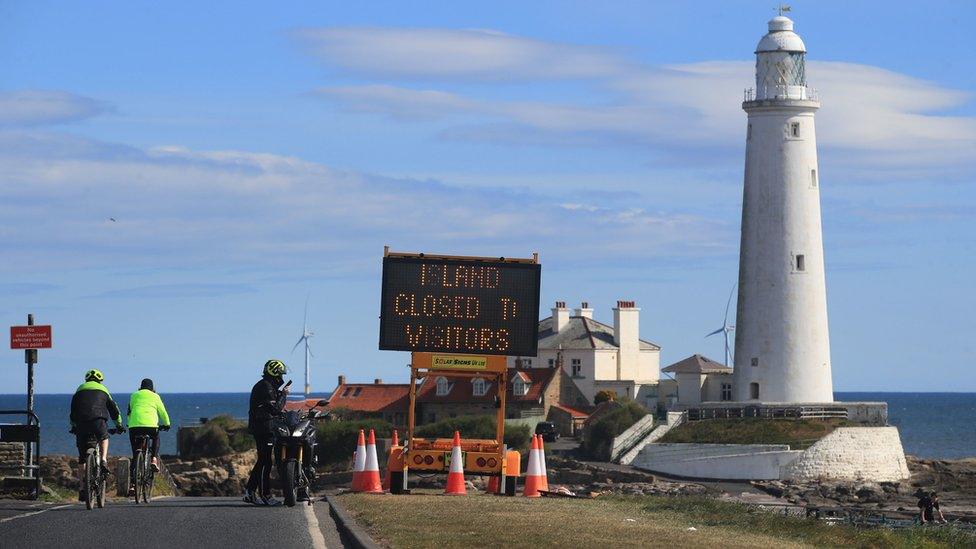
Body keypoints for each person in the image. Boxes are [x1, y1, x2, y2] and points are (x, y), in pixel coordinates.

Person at [69, 369, 125, 501]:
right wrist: (119, 425)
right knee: (104, 437)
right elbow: (114, 410)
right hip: (98, 421)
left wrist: (73, 426)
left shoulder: (79, 390)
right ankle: (104, 460)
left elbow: (72, 411)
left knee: (82, 459)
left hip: (81, 423)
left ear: (86, 380)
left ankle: (82, 489)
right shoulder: (103, 390)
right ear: (100, 380)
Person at [244, 359, 290, 506]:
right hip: (263, 429)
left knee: (263, 461)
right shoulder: (265, 387)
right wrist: (284, 395)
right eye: (280, 374)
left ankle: (250, 492)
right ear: (274, 373)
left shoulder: (266, 385)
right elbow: (275, 409)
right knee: (265, 462)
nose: (281, 378)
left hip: (263, 427)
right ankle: (266, 495)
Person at [126, 378, 171, 495]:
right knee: (156, 437)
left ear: (140, 387)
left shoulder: (134, 395)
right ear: (152, 388)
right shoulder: (155, 396)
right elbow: (162, 412)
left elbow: (129, 411)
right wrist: (167, 424)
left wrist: (128, 423)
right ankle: (154, 459)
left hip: (134, 426)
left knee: (135, 455)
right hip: (151, 426)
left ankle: (132, 485)